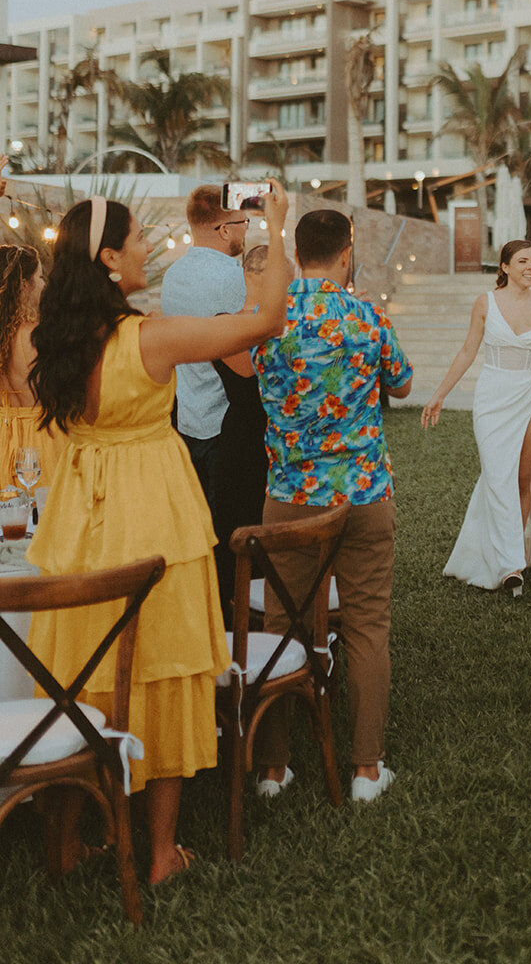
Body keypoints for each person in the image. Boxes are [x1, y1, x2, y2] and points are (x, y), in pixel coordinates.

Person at [26, 183, 290, 883]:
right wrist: (280, 228)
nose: (151, 247)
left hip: (78, 521)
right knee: (164, 667)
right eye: (140, 238)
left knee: (79, 675)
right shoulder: (151, 337)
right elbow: (265, 320)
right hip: (152, 516)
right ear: (111, 257)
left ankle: (67, 841)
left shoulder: (48, 341)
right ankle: (162, 851)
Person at [253, 209, 413, 804]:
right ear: (346, 253)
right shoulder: (368, 316)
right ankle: (367, 771)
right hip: (365, 495)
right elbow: (401, 384)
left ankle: (273, 769)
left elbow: (246, 371)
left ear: (297, 253)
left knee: (279, 624)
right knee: (369, 625)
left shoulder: (269, 317)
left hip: (290, 497)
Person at [422, 238, 531, 596]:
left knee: (522, 478)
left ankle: (513, 561)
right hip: (492, 396)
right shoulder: (484, 303)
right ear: (504, 267)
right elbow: (466, 351)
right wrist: (439, 394)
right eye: (523, 261)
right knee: (496, 475)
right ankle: (505, 561)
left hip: (527, 393)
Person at [159, 184, 248, 519]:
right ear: (224, 230)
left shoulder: (172, 276)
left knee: (191, 518)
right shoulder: (232, 278)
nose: (245, 232)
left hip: (185, 414)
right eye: (243, 224)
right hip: (223, 420)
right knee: (225, 523)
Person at [212, 242, 288, 623]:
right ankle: (238, 616)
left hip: (272, 441)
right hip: (248, 443)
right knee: (240, 529)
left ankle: (272, 614)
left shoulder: (280, 326)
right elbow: (251, 373)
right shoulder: (228, 324)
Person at [0, 244, 61, 489]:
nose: (43, 284)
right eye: (39, 277)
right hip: (44, 438)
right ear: (24, 286)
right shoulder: (38, 335)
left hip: (5, 439)